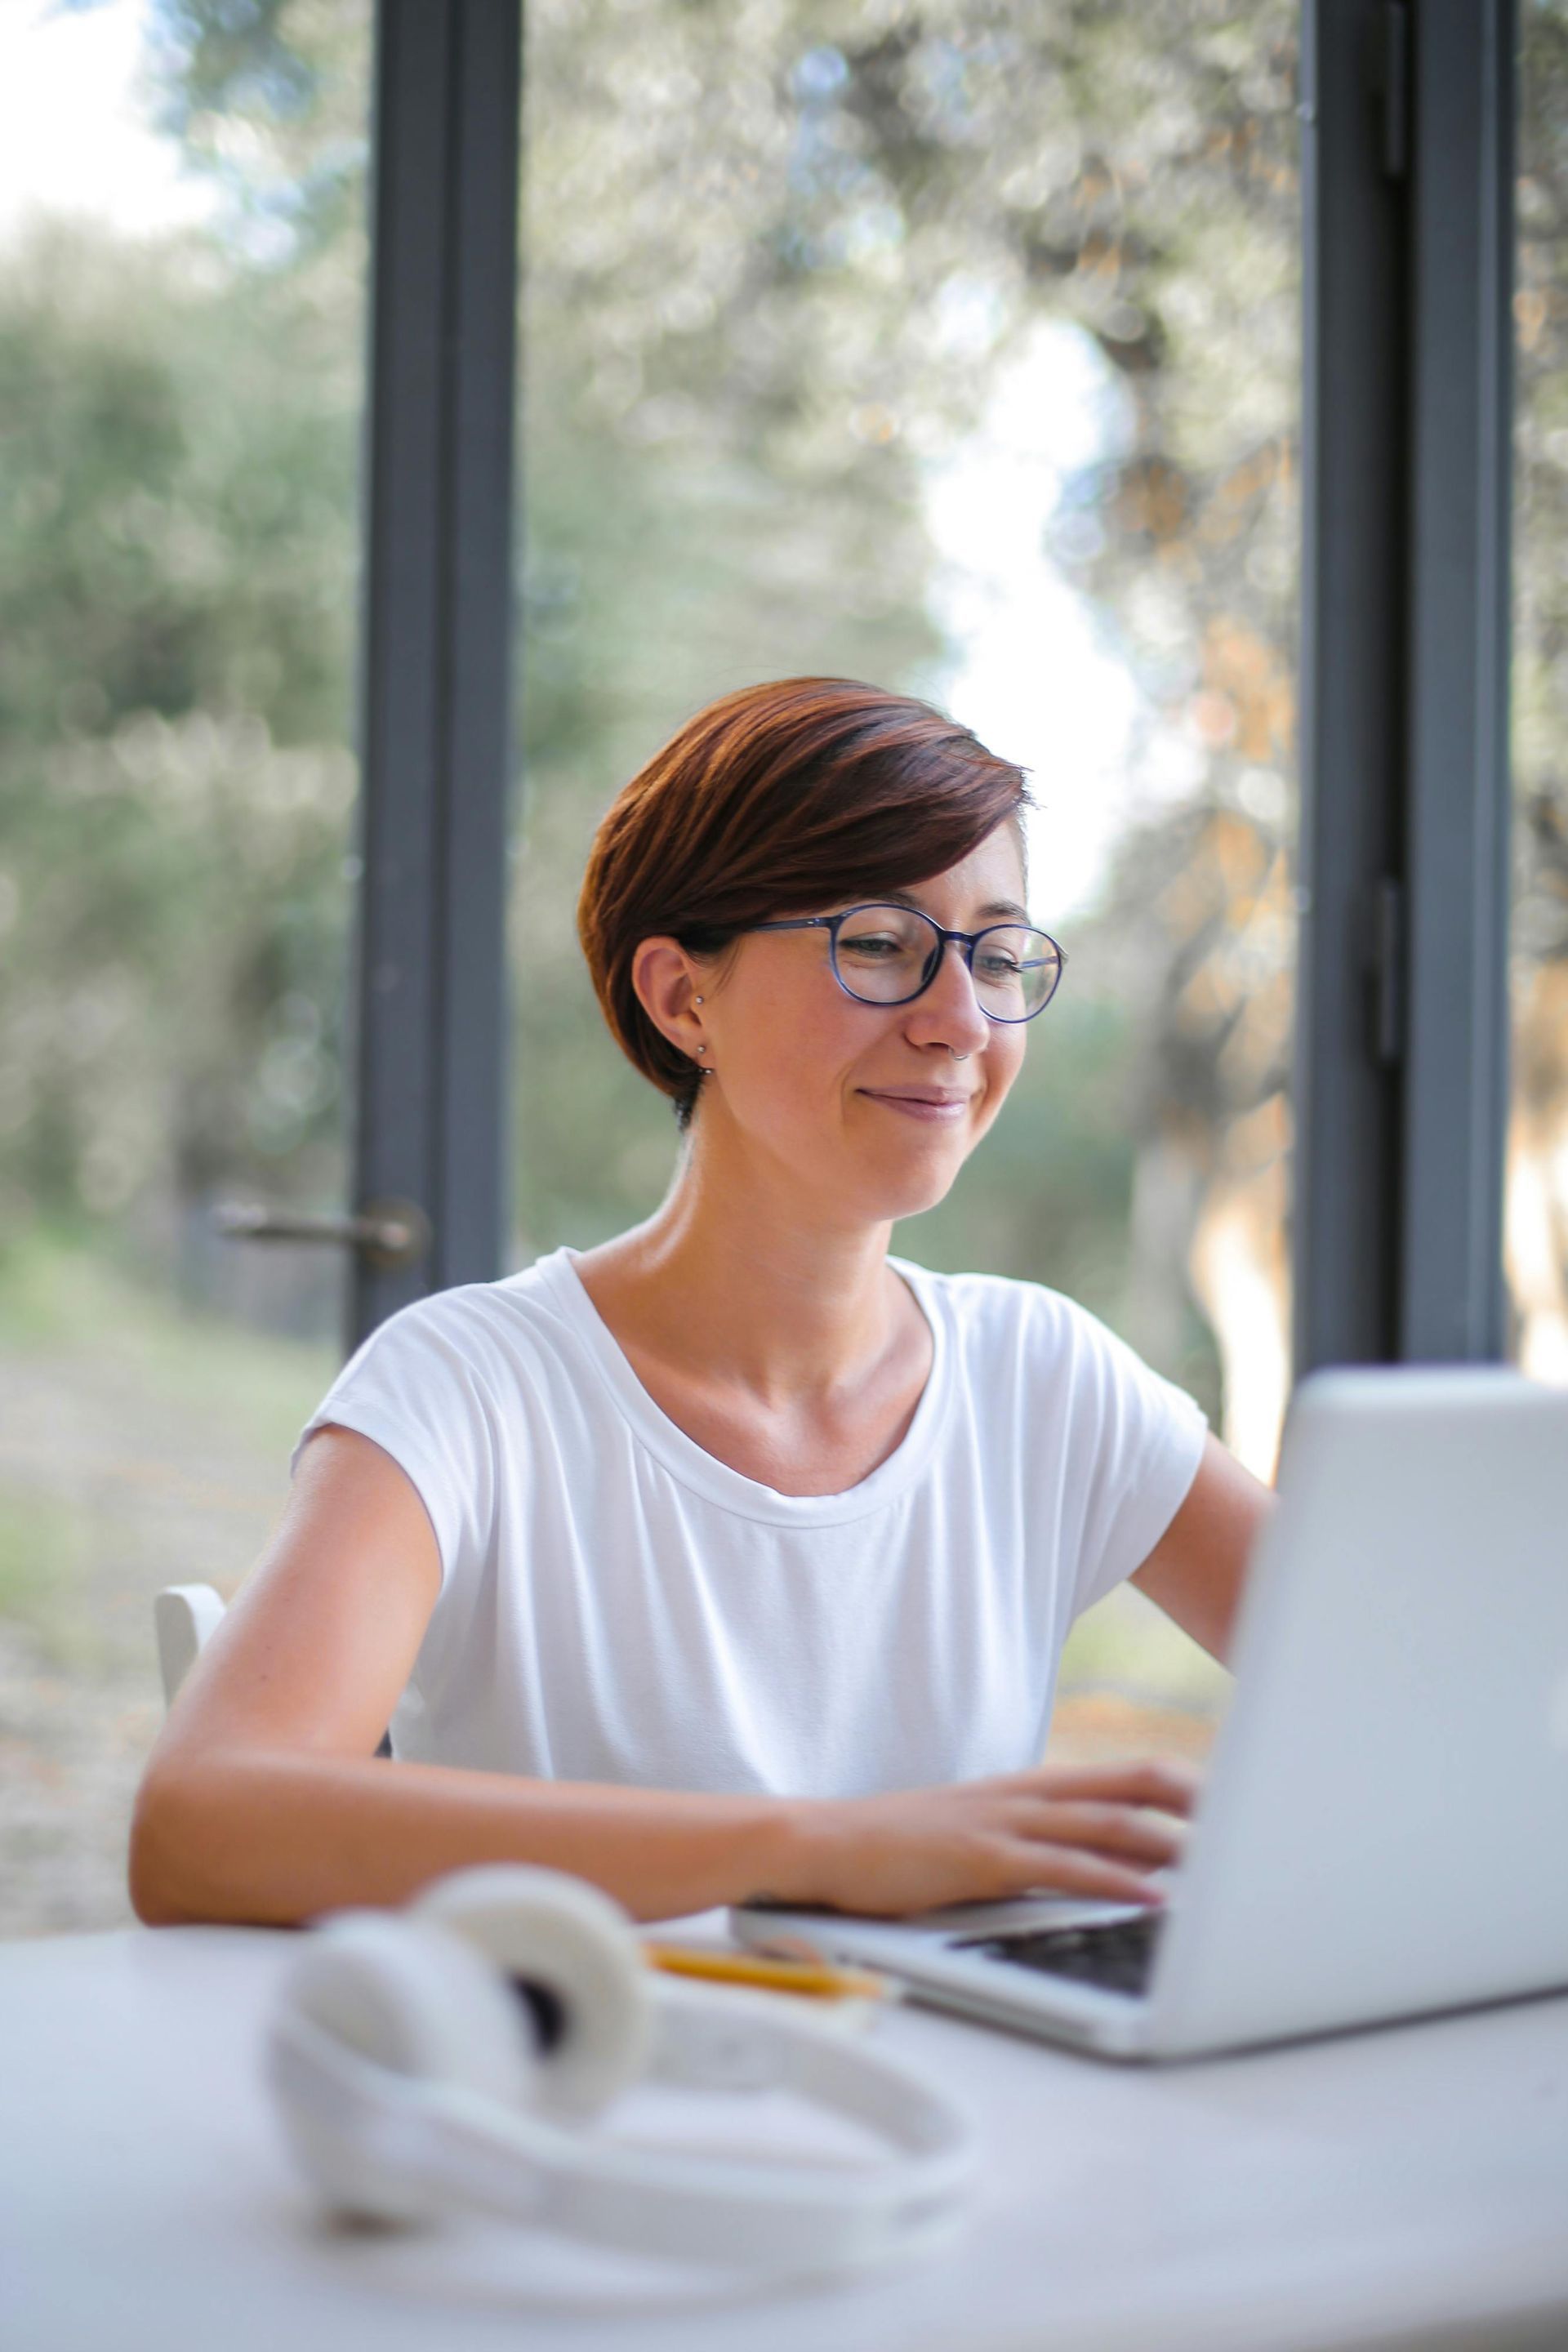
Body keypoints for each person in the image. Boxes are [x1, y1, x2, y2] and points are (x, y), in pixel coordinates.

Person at [130, 677, 1272, 1930]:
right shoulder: (470, 1385)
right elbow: (202, 1826)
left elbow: (1409, 1678)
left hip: (962, 2105)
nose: (960, 1023)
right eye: (882, 945)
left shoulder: (1046, 1375)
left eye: (998, 957)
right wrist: (818, 1847)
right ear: (685, 998)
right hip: (588, 2096)